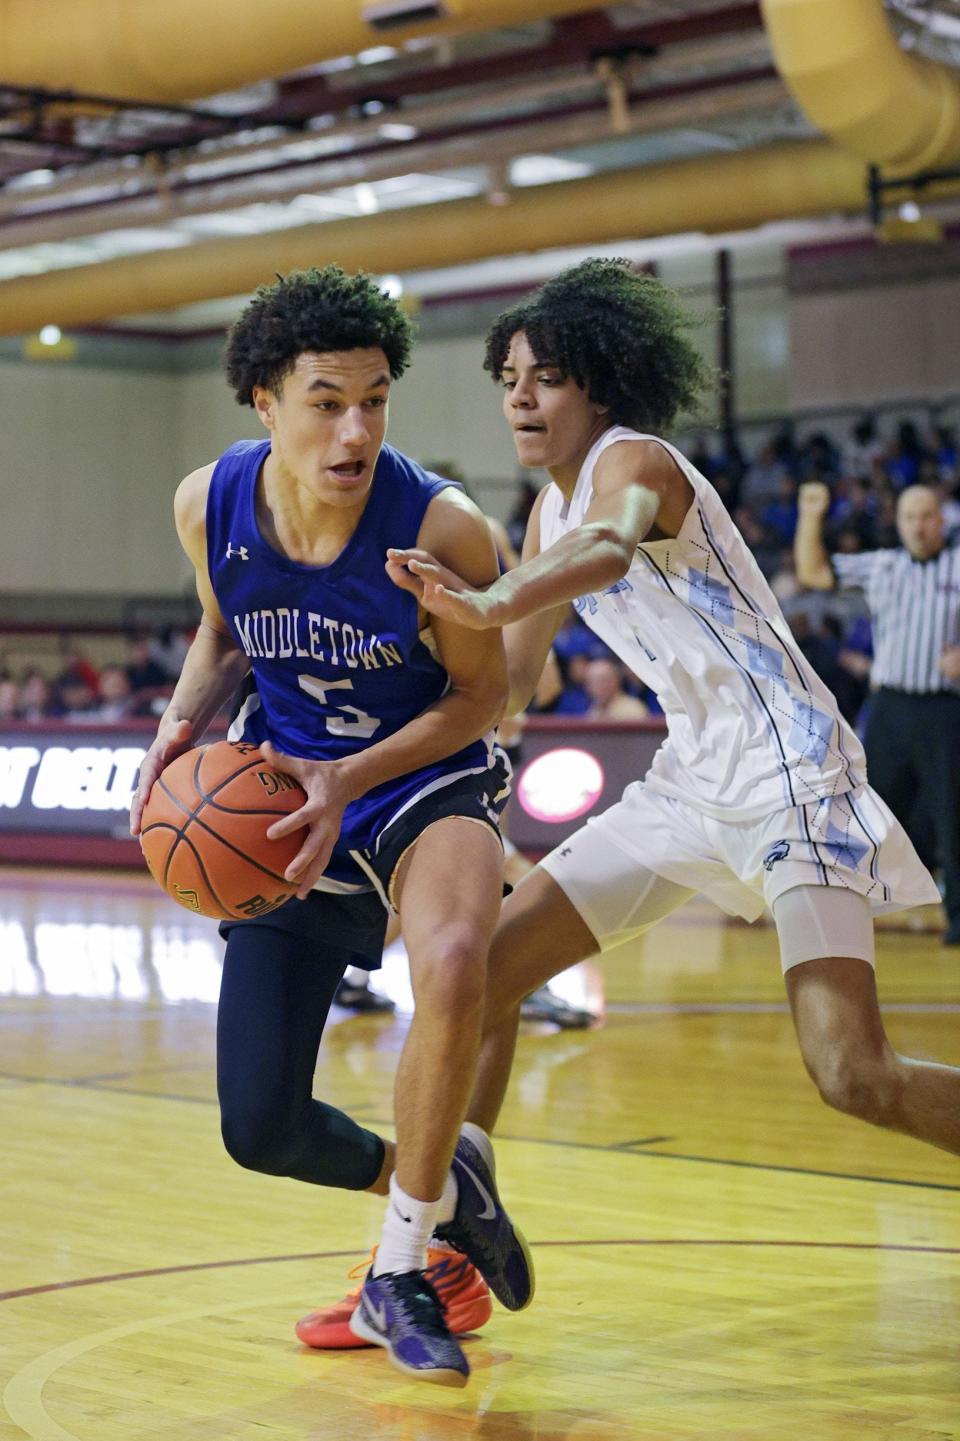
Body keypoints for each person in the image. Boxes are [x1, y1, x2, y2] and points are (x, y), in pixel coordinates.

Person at [384, 257, 960, 1163]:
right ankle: (453, 1227)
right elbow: (513, 681)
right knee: (486, 973)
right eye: (510, 381)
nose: (522, 399)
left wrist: (488, 600)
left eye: (549, 378)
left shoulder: (637, 461)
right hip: (688, 784)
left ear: (601, 386)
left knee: (854, 1072)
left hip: (794, 775)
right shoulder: (543, 515)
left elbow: (612, 545)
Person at [129, 266, 532, 1388]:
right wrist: (177, 728)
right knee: (259, 1125)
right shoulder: (208, 501)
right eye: (326, 400)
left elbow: (477, 699)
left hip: (419, 777)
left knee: (453, 958)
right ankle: (446, 1181)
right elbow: (222, 631)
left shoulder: (443, 525)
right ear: (264, 401)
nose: (355, 429)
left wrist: (348, 774)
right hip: (280, 796)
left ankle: (401, 1270)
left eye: (375, 399)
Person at [795, 479, 960, 945]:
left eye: (926, 515)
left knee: (953, 815)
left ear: (940, 519)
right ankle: (857, 909)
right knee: (873, 809)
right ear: (899, 522)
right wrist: (810, 515)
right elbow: (814, 571)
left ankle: (959, 920)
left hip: (945, 707)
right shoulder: (883, 566)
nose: (918, 525)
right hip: (890, 706)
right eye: (909, 517)